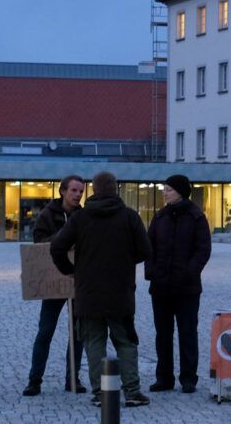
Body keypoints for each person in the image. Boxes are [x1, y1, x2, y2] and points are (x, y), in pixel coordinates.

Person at [51, 171, 151, 408]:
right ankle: (132, 391)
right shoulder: (129, 217)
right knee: (126, 342)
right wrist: (126, 261)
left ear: (93, 190)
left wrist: (71, 270)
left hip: (88, 292)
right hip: (120, 292)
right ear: (116, 189)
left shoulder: (80, 218)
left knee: (94, 342)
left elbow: (57, 247)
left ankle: (100, 393)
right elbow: (146, 251)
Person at [145, 175, 211, 394]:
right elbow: (149, 247)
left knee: (187, 333)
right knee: (162, 334)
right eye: (164, 189)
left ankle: (188, 378)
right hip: (161, 287)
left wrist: (189, 273)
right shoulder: (160, 216)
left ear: (181, 192)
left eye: (169, 190)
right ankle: (164, 378)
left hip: (187, 288)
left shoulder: (196, 217)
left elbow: (203, 250)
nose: (164, 193)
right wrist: (152, 272)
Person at [22, 175, 87, 396]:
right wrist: (64, 236)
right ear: (63, 191)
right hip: (53, 281)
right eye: (74, 190)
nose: (78, 195)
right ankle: (34, 380)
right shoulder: (47, 215)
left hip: (77, 281)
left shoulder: (84, 216)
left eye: (81, 191)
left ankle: (73, 378)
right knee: (45, 331)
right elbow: (38, 244)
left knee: (77, 333)